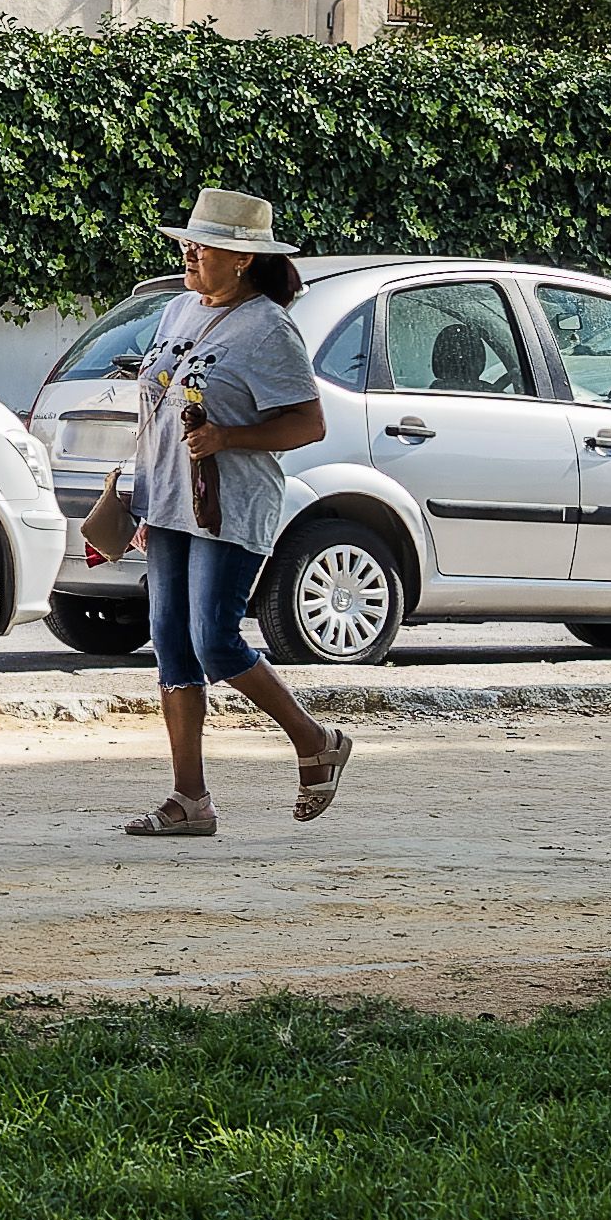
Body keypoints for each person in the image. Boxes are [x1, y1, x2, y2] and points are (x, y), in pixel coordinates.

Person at [122, 188, 353, 836]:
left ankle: (316, 742)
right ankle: (189, 800)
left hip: (231, 506)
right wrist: (142, 496)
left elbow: (307, 423)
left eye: (204, 245)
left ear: (243, 259)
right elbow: (158, 408)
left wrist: (229, 437)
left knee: (213, 639)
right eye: (187, 243)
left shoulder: (268, 328)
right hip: (170, 503)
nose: (189, 252)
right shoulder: (175, 311)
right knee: (170, 642)